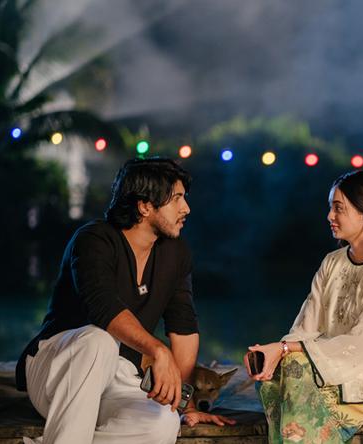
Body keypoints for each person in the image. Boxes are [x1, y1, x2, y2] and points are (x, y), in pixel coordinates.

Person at [16, 157, 234, 444]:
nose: (186, 208)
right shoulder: (94, 240)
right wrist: (158, 350)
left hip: (120, 374)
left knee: (161, 424)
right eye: (177, 199)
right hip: (58, 369)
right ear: (144, 206)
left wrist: (185, 403)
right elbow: (103, 307)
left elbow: (183, 327)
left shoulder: (175, 252)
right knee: (99, 340)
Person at [245, 170, 363, 444]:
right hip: (336, 364)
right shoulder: (332, 262)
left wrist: (285, 349)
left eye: (338, 208)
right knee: (274, 378)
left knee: (295, 369)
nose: (330, 216)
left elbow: (360, 346)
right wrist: (272, 356)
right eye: (331, 207)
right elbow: (305, 327)